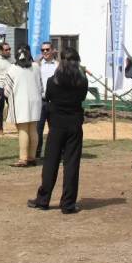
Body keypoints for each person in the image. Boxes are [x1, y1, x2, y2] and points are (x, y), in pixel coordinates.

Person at [28, 47, 88, 214]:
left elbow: (49, 98)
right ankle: (68, 204)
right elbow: (82, 98)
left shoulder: (52, 81)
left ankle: (43, 200)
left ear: (61, 61)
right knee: (72, 164)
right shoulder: (82, 82)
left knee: (50, 163)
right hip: (74, 125)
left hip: (56, 125)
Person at [3, 44, 43, 167]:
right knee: (33, 129)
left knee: (23, 130)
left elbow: (6, 90)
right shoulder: (36, 67)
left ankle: (23, 158)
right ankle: (32, 157)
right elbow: (41, 87)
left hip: (20, 102)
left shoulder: (12, 69)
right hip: (35, 101)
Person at [35, 41, 57, 159]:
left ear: (52, 50)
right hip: (41, 101)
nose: (45, 52)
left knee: (54, 129)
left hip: (54, 102)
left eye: (47, 49)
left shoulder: (58, 65)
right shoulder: (37, 65)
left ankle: (53, 152)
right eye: (42, 50)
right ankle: (37, 153)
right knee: (38, 129)